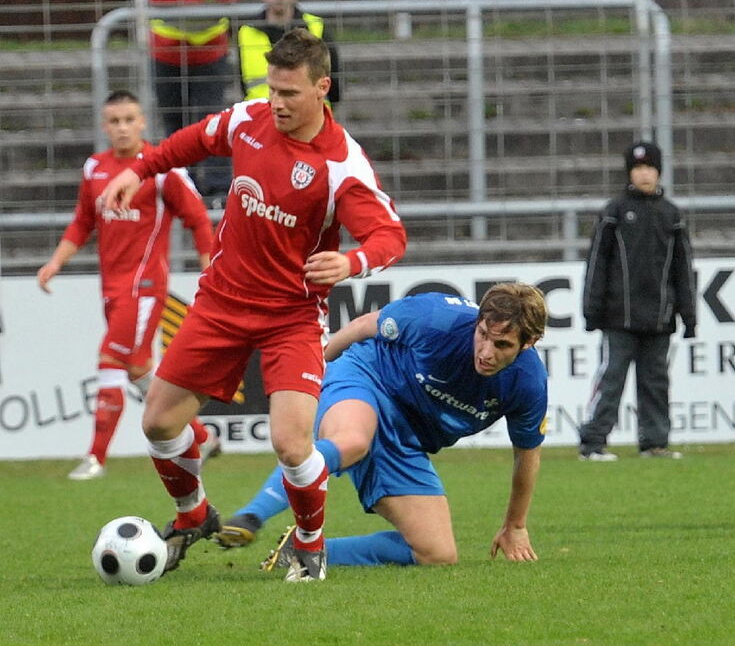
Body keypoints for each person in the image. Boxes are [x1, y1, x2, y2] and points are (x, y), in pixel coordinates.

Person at [99, 29, 407, 581]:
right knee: (160, 425)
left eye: (290, 92)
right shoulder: (249, 119)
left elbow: (390, 236)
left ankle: (311, 548)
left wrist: (351, 263)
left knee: (292, 444)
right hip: (221, 302)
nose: (277, 102)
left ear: (322, 88)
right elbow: (190, 141)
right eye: (272, 89)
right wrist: (139, 169)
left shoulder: (342, 165)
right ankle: (193, 514)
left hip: (291, 316)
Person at [216, 283, 548, 570]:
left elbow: (527, 454)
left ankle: (301, 552)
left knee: (437, 553)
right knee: (353, 440)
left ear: (528, 342)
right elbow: (362, 326)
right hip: (365, 377)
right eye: (483, 336)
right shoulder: (435, 319)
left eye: (502, 345)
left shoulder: (528, 384)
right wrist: (311, 378)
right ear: (478, 323)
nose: (486, 352)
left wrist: (515, 525)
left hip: (404, 439)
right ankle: (251, 516)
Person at [37, 90, 217, 480]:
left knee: (110, 360)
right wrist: (55, 261)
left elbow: (199, 219)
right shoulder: (94, 169)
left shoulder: (160, 169)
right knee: (138, 369)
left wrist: (210, 270)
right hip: (112, 288)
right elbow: (83, 221)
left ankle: (95, 458)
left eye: (128, 120)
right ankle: (203, 434)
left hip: (145, 286)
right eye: (114, 121)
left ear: (142, 123)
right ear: (105, 126)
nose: (121, 127)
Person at [578, 141, 697, 462]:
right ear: (630, 172)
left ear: (658, 171)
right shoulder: (614, 212)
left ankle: (654, 442)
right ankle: (593, 442)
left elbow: (683, 270)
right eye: (638, 168)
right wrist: (592, 310)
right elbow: (597, 263)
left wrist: (689, 315)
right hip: (618, 317)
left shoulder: (672, 215)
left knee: (656, 383)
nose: (644, 174)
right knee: (611, 379)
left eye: (650, 168)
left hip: (659, 318)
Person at [146, 0, 244, 198]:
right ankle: (181, 185)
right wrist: (201, 4)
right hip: (167, 50)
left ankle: (217, 188)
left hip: (210, 50)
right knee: (173, 122)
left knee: (212, 120)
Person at [238, 0, 341, 106]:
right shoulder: (246, 31)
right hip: (261, 114)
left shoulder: (317, 27)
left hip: (308, 114)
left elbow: (333, 75)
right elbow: (242, 80)